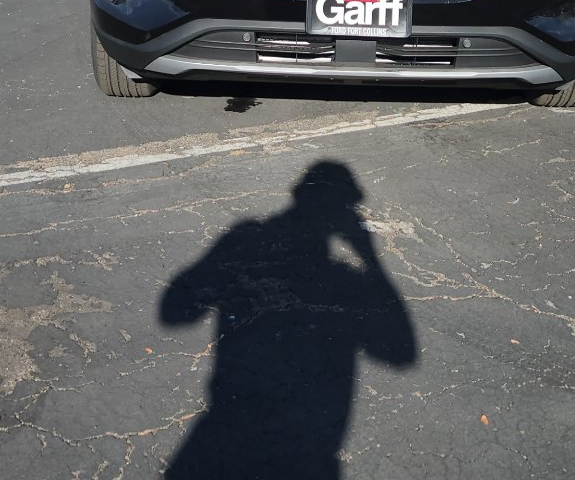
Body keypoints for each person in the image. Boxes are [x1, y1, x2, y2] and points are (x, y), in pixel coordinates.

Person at [160, 161, 417, 479]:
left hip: (234, 435)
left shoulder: (251, 242)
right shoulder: (344, 281)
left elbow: (173, 310)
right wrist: (369, 256)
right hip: (300, 448)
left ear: (297, 195)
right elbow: (402, 351)